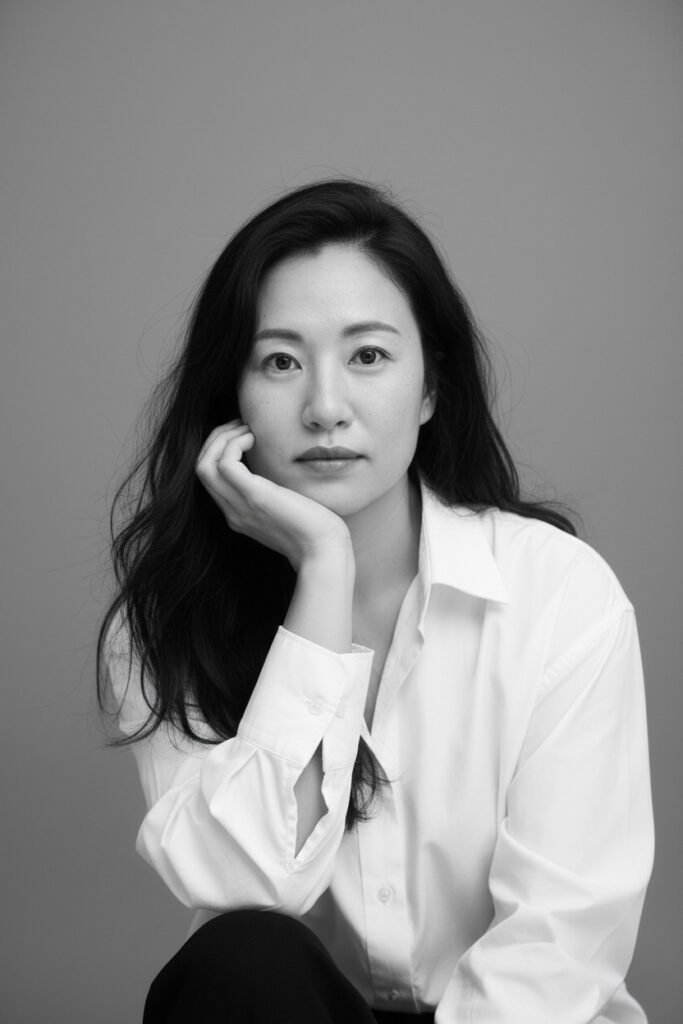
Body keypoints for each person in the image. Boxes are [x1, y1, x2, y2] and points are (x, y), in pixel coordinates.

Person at [97, 179, 654, 1023]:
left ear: (430, 388)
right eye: (280, 362)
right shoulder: (166, 622)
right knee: (241, 959)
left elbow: (559, 944)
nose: (325, 409)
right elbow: (244, 887)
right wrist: (323, 574)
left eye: (367, 357)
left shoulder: (555, 592)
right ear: (231, 399)